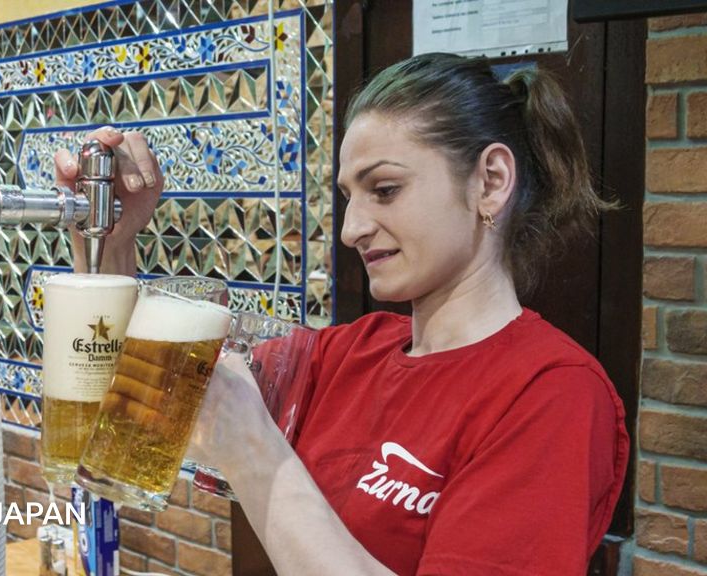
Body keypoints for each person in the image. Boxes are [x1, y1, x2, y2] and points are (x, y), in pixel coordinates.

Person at [55, 52, 629, 576]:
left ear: (491, 181)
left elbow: (242, 438)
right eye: (350, 196)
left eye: (385, 189)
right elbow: (140, 402)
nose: (352, 229)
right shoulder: (344, 354)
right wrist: (111, 243)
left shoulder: (552, 393)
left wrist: (252, 449)